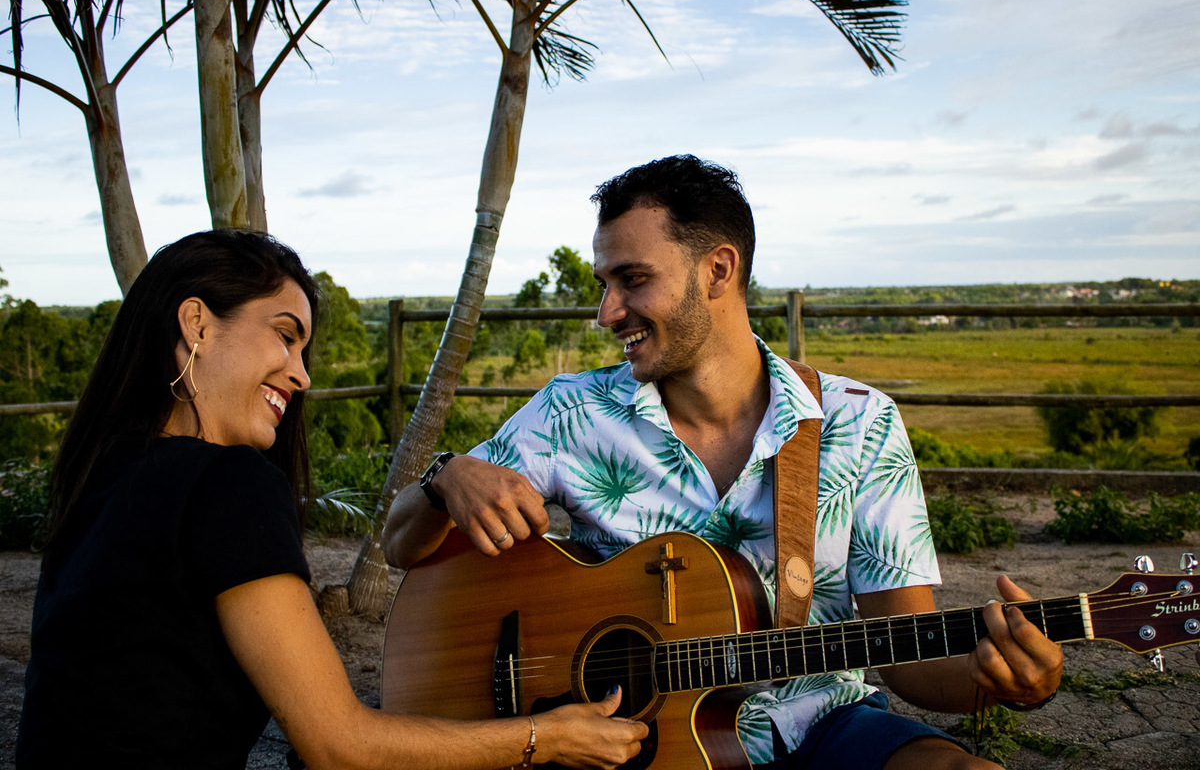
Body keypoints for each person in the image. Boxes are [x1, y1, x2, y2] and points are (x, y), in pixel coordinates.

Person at [383, 156, 1063, 770]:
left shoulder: (860, 423)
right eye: (604, 283)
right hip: (630, 750)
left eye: (632, 280)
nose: (606, 311)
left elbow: (910, 663)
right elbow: (400, 544)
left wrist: (1004, 679)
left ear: (717, 270)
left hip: (820, 726)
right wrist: (444, 479)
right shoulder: (573, 412)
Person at [16, 230, 647, 770]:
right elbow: (338, 746)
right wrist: (547, 738)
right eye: (285, 336)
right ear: (197, 324)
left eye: (304, 349)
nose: (302, 373)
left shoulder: (102, 473)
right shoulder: (227, 483)